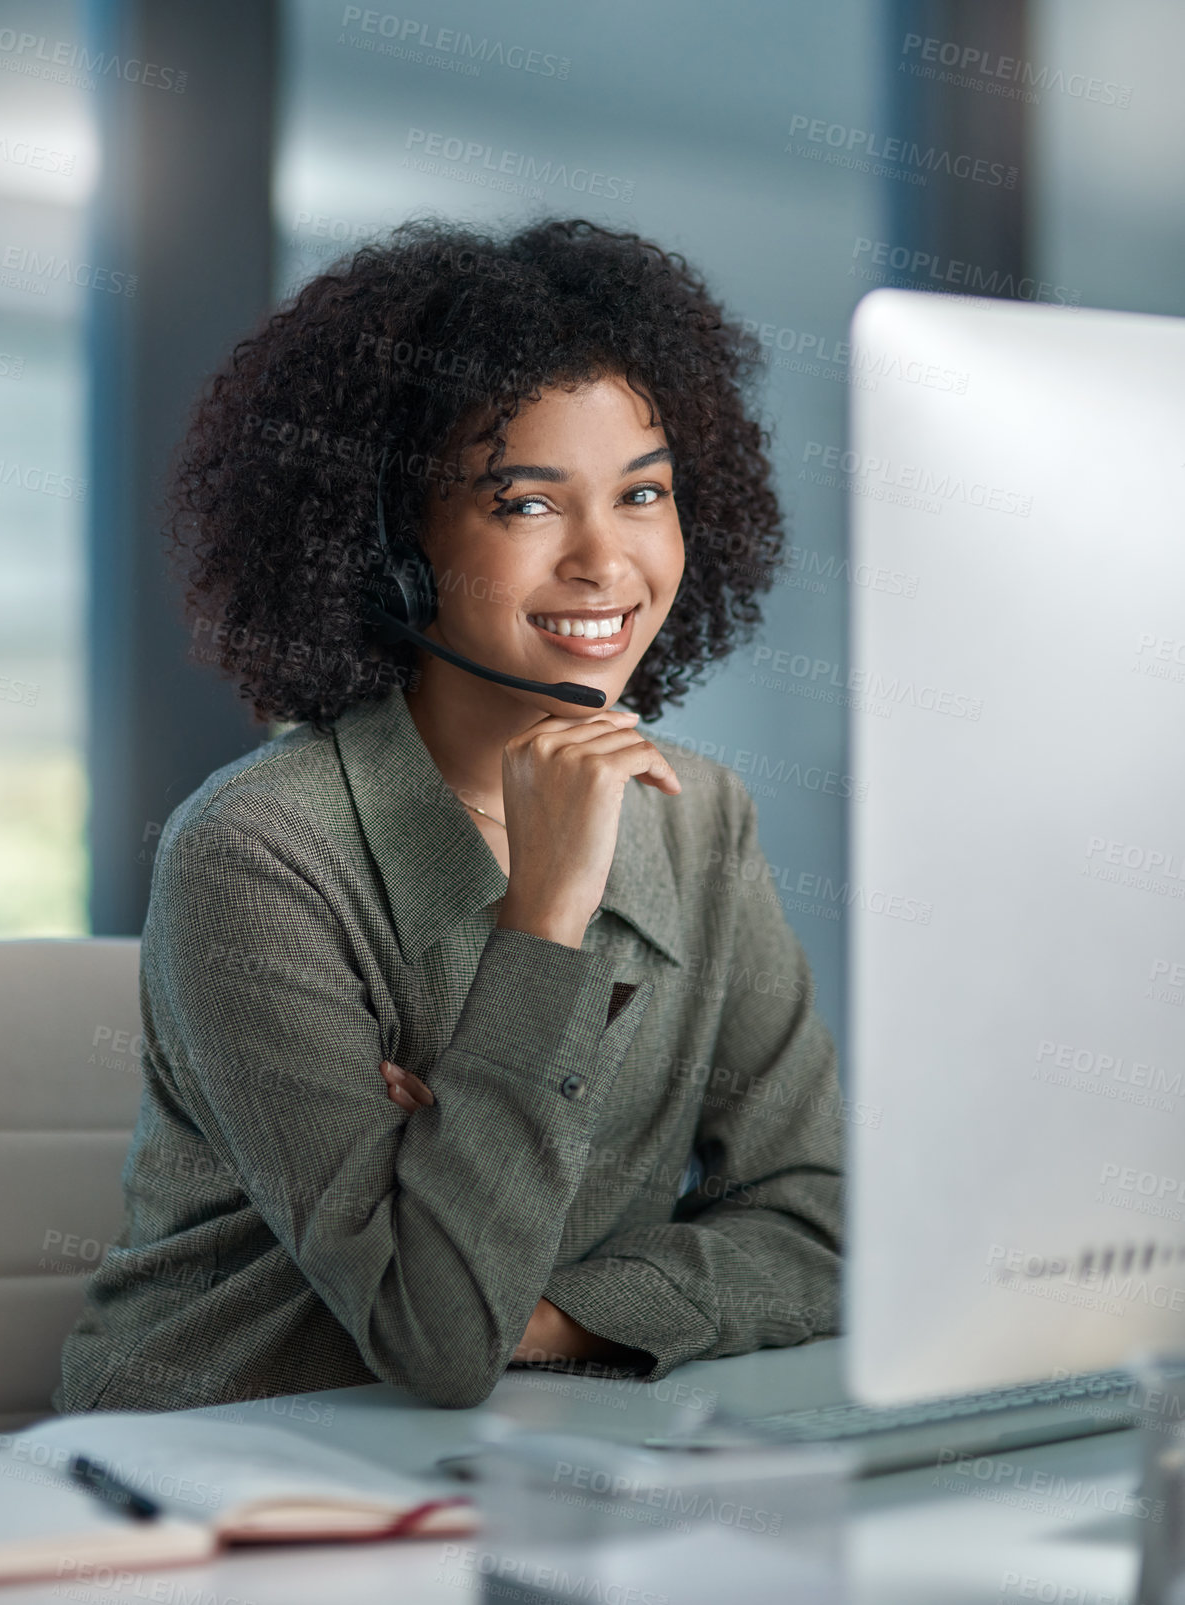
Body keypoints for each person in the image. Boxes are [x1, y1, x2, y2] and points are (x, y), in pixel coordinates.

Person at [54, 215, 845, 1415]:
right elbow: (435, 1334)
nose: (605, 561)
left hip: (538, 1442)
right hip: (227, 1469)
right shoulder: (259, 852)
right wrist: (546, 924)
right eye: (528, 505)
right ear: (391, 549)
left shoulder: (699, 820)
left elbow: (818, 1225)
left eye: (644, 494)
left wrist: (555, 1316)